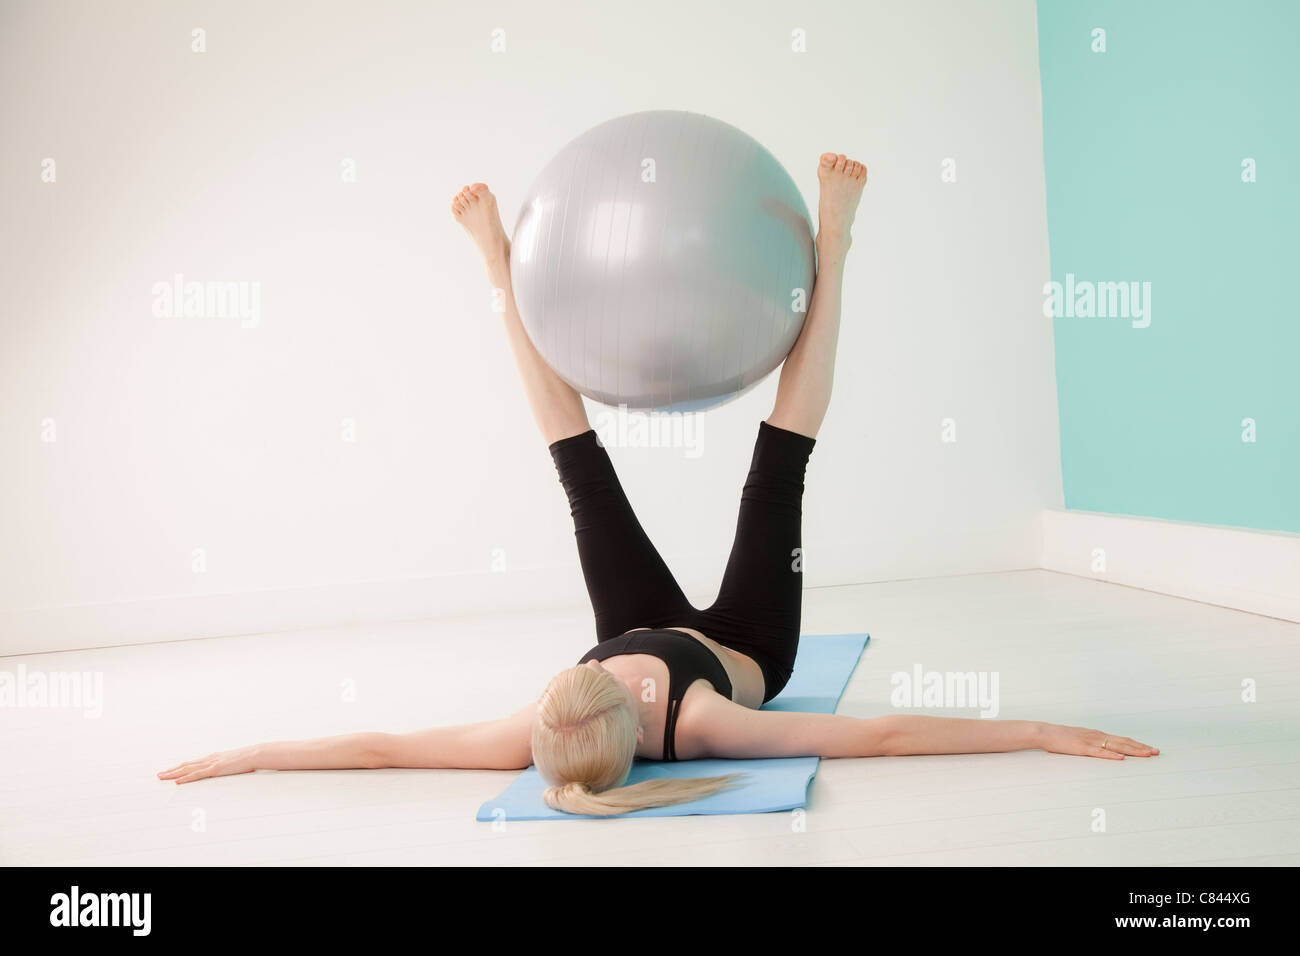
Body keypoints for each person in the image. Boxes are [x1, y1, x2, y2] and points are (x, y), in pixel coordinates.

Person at [158, 153, 1158, 815]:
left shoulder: (548, 715)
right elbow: (882, 734)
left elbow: (383, 748)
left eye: (593, 673)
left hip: (640, 608)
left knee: (577, 465)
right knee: (778, 466)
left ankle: (498, 270)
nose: (626, 669)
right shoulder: (706, 718)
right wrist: (1038, 729)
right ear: (641, 726)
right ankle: (840, 246)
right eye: (628, 687)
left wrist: (249, 753)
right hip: (739, 641)